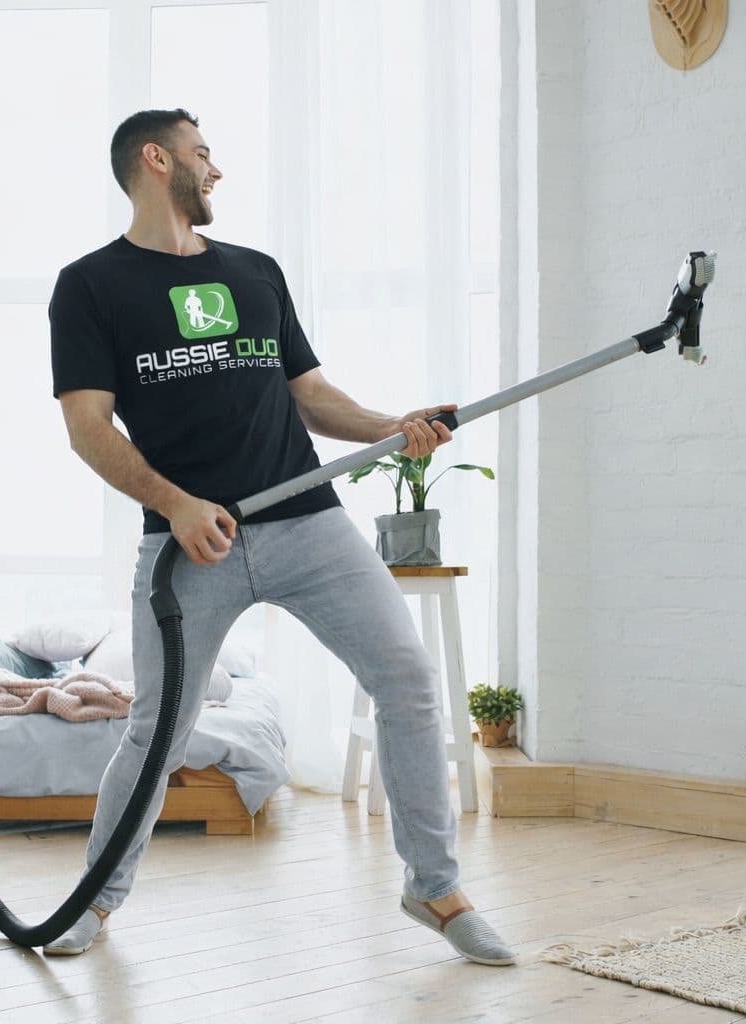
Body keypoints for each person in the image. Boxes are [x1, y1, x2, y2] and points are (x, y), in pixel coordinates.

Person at [45, 108, 515, 966]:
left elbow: (309, 395)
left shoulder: (255, 272)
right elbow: (89, 428)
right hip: (191, 546)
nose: (214, 169)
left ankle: (434, 888)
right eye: (201, 153)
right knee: (157, 728)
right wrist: (178, 504)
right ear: (156, 160)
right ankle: (94, 900)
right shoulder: (91, 285)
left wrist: (389, 424)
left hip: (309, 527)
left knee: (407, 680)